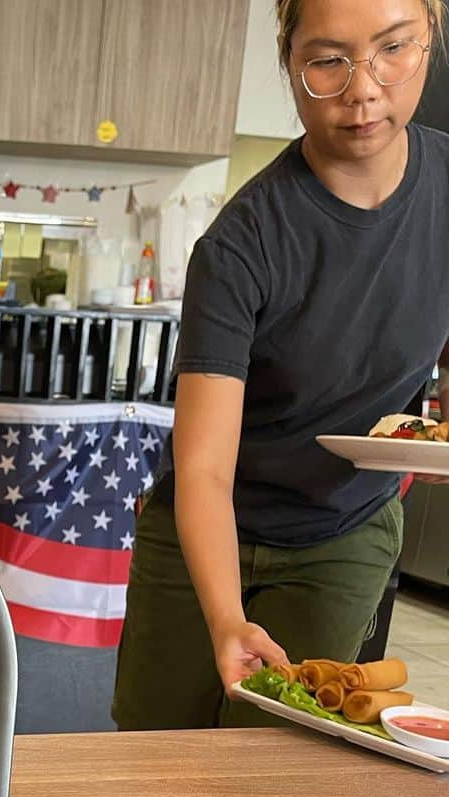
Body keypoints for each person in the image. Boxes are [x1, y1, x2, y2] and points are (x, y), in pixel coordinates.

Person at [113, 0, 449, 731]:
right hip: (206, 525)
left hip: (343, 528)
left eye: (394, 48)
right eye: (328, 60)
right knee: (155, 750)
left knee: (282, 759)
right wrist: (226, 618)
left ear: (432, 38)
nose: (363, 88)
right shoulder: (242, 242)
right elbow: (202, 467)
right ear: (289, 66)